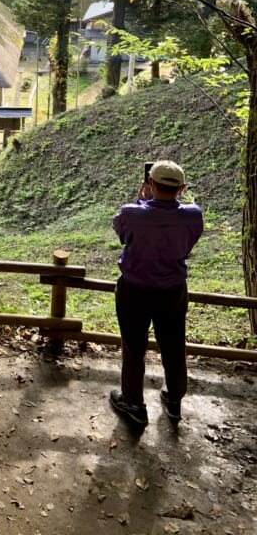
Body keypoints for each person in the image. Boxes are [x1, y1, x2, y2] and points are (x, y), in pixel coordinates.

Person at [109, 159, 203, 426]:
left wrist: (141, 203)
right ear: (182, 188)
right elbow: (188, 243)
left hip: (134, 291)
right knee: (174, 346)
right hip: (173, 291)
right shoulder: (193, 215)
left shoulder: (131, 213)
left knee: (133, 347)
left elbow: (122, 233)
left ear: (150, 183)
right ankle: (174, 401)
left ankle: (134, 405)